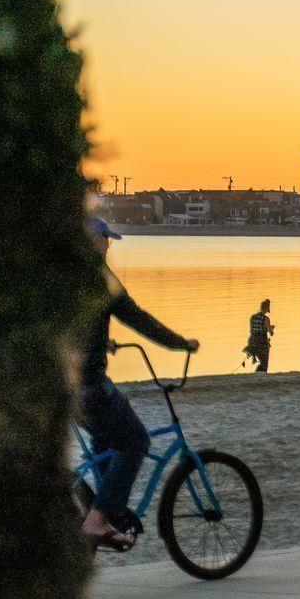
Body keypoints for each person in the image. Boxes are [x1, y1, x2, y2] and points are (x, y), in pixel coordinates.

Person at [80, 217, 199, 550]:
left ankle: (106, 510)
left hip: (68, 388)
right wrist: (179, 343)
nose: (109, 247)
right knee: (135, 441)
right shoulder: (101, 281)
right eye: (107, 240)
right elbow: (139, 319)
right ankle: (97, 521)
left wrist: (100, 343)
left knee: (108, 441)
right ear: (95, 241)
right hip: (90, 387)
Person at [244, 298, 274, 372]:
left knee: (261, 362)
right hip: (262, 343)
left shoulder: (253, 317)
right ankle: (258, 375)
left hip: (252, 342)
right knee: (264, 363)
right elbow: (271, 333)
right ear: (267, 308)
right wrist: (271, 328)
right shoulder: (266, 318)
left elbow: (252, 330)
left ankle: (258, 374)